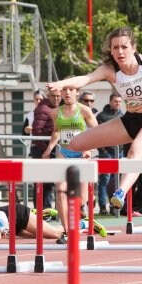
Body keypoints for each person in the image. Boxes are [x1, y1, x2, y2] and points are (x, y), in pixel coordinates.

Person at [45, 26, 142, 210]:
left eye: (124, 47)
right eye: (115, 48)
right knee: (76, 143)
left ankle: (120, 193)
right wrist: (60, 84)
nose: (120, 52)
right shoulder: (110, 70)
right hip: (130, 120)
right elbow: (85, 79)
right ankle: (71, 180)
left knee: (134, 152)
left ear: (133, 47)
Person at [42, 86, 98, 244]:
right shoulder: (55, 112)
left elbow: (97, 131)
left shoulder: (85, 111)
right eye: (64, 90)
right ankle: (66, 231)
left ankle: (82, 213)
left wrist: (90, 148)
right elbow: (56, 131)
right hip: (63, 152)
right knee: (60, 191)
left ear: (77, 92)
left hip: (81, 154)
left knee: (81, 199)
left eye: (70, 90)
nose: (66, 93)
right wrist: (49, 149)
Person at [0, 204, 106, 241]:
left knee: (56, 234)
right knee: (42, 236)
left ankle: (85, 223)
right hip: (12, 226)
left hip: (18, 215)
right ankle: (40, 214)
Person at [30, 89, 62, 208]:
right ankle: (42, 210)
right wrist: (46, 150)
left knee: (49, 182)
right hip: (42, 149)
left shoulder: (58, 108)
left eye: (59, 96)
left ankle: (47, 210)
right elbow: (37, 131)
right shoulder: (43, 108)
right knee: (42, 181)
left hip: (51, 148)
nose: (56, 98)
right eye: (53, 96)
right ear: (48, 96)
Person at [95, 93, 124, 215]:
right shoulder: (101, 116)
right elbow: (97, 135)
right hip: (106, 152)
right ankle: (102, 206)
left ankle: (114, 206)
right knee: (105, 180)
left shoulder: (123, 115)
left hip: (120, 151)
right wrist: (103, 151)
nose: (118, 103)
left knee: (117, 180)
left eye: (119, 101)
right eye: (115, 101)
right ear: (110, 102)